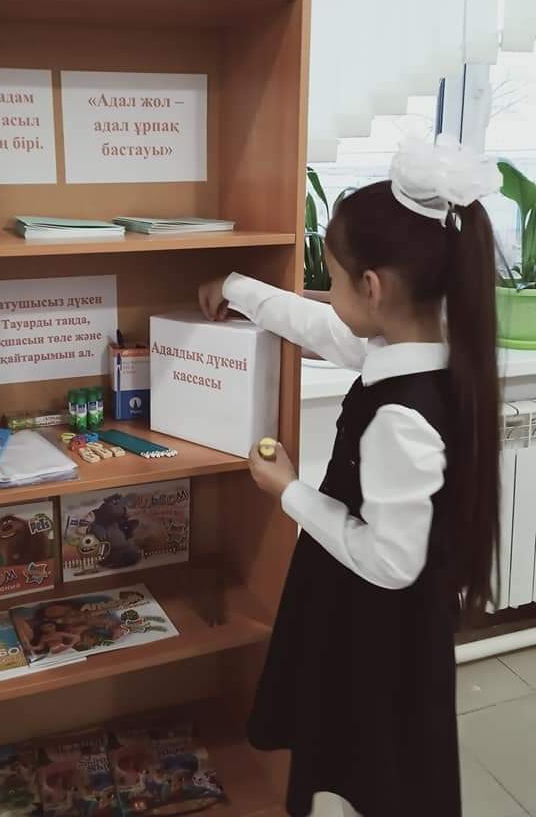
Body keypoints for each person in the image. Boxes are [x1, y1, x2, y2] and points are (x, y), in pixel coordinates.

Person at [198, 136, 503, 817]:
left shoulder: (402, 414)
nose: (326, 292)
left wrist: (289, 491)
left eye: (332, 279)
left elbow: (392, 561)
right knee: (359, 755)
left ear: (372, 288)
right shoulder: (426, 347)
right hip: (374, 611)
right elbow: (325, 327)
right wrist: (239, 290)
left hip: (380, 624)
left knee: (377, 766)